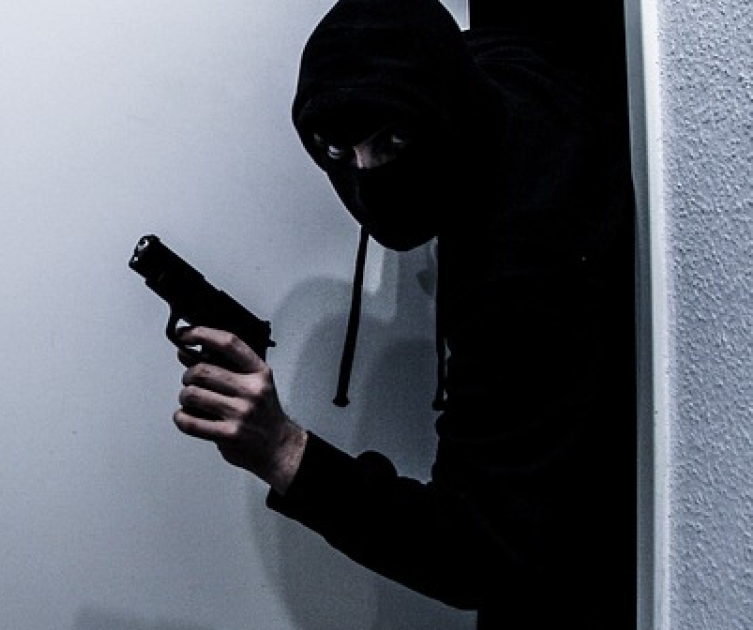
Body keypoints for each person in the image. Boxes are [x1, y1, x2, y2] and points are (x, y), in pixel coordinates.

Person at [169, 0, 636, 628]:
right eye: (337, 150)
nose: (367, 181)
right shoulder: (490, 71)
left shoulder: (523, 267)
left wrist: (282, 449)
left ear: (448, 110)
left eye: (392, 141)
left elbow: (477, 550)